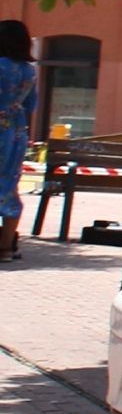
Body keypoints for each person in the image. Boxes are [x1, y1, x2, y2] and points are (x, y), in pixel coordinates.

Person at [0, 19, 37, 262]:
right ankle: (5, 247)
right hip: (16, 133)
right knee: (9, 187)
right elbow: (31, 104)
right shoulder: (28, 70)